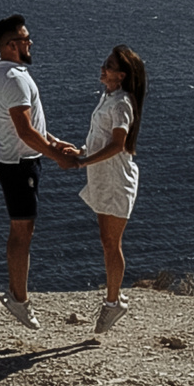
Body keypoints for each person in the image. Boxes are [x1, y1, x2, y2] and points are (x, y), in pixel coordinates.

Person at [0, 15, 80, 330]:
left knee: (23, 229)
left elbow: (31, 127)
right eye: (25, 39)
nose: (30, 43)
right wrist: (57, 157)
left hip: (19, 161)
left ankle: (18, 295)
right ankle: (18, 299)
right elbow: (25, 132)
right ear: (11, 45)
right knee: (21, 231)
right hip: (18, 164)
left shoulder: (13, 74)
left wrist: (53, 141)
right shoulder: (13, 78)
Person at [62, 45, 145, 334]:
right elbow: (101, 139)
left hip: (115, 179)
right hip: (103, 177)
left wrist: (83, 161)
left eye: (109, 66)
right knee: (106, 241)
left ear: (121, 75)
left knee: (112, 243)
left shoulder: (122, 103)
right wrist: (83, 151)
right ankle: (115, 297)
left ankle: (113, 303)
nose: (103, 68)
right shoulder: (107, 98)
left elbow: (118, 144)